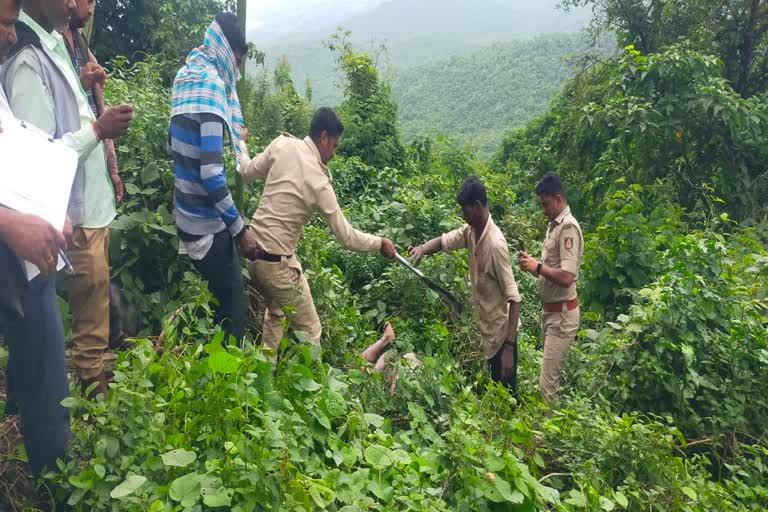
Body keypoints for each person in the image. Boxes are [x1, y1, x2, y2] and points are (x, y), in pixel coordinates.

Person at [1, 0, 133, 398]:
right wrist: (98, 129)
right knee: (74, 312)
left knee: (89, 302)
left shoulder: (55, 44)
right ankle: (88, 391)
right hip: (66, 212)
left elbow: (58, 112)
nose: (77, 6)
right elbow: (38, 155)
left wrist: (82, 80)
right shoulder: (27, 59)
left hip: (86, 205)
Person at [238, 107, 397, 360]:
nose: (334, 153)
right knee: (311, 330)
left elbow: (244, 171)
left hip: (252, 256)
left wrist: (241, 143)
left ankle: (262, 380)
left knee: (276, 314)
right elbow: (347, 237)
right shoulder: (319, 180)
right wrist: (380, 243)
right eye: (334, 145)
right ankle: (309, 392)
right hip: (277, 266)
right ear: (324, 138)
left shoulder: (282, 144)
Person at [169, 12, 259, 345]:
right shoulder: (210, 87)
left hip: (185, 216)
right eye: (236, 60)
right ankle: (226, 383)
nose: (235, 71)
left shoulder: (186, 77)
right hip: (208, 226)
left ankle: (195, 364)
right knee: (233, 310)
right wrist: (241, 231)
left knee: (212, 305)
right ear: (225, 50)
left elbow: (180, 146)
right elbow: (211, 173)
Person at [410, 176, 522, 392]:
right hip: (488, 332)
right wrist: (422, 249)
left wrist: (509, 349)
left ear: (478, 206)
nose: (463, 214)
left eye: (465, 209)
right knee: (496, 393)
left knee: (507, 397)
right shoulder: (471, 231)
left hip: (502, 335)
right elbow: (444, 241)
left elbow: (515, 299)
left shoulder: (495, 245)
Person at [62, 0, 130, 350]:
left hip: (96, 185)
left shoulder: (79, 43)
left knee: (101, 279)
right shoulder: (47, 46)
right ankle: (91, 380)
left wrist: (113, 170)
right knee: (88, 288)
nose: (88, 9)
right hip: (75, 197)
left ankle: (109, 341)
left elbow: (97, 109)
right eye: (86, 1)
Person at [518, 172, 583, 403]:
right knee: (551, 379)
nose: (544, 209)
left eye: (546, 204)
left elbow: (567, 276)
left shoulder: (568, 228)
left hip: (562, 315)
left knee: (547, 386)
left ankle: (545, 436)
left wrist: (537, 267)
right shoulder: (554, 226)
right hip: (553, 313)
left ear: (558, 198)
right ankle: (554, 427)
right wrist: (535, 264)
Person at [360, 322, 421, 395]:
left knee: (363, 361)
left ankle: (386, 339)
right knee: (364, 361)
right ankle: (386, 339)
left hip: (405, 371)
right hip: (403, 366)